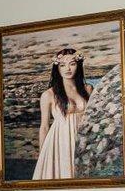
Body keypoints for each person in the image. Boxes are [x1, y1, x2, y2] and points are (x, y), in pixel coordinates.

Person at [32, 48, 91, 180]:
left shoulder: (88, 89)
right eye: (62, 65)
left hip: (83, 138)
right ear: (57, 68)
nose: (67, 69)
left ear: (79, 65)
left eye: (72, 64)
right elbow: (44, 126)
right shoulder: (48, 95)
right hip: (60, 141)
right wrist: (42, 155)